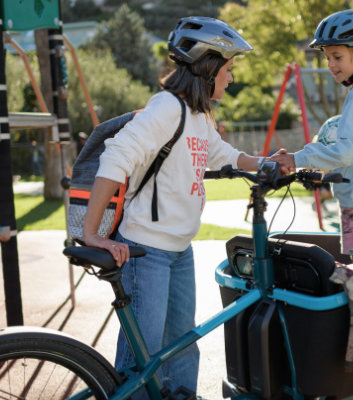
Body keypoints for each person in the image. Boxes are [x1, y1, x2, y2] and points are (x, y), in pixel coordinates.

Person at [82, 16, 279, 396]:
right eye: (228, 68)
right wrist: (92, 234)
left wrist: (266, 163)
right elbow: (116, 157)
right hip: (146, 251)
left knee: (182, 344)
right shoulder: (167, 108)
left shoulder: (198, 114)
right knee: (143, 358)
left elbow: (220, 153)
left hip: (179, 250)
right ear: (208, 67)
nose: (231, 78)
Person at [269, 10, 353, 263]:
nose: (330, 64)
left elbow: (347, 150)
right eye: (327, 57)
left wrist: (297, 158)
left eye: (337, 57)